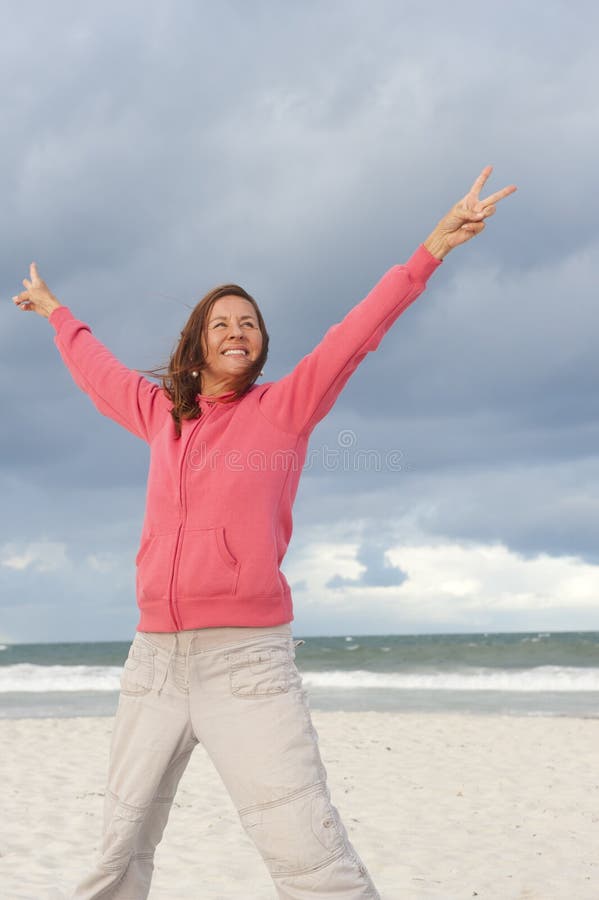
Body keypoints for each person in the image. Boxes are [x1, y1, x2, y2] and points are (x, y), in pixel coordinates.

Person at [13, 166, 516, 900]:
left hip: (246, 666)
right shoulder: (161, 416)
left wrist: (433, 247)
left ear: (262, 343)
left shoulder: (284, 411)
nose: (236, 330)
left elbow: (356, 334)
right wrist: (57, 312)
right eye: (221, 322)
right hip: (152, 663)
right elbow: (99, 372)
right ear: (197, 347)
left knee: (311, 860)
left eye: (248, 321)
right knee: (116, 855)